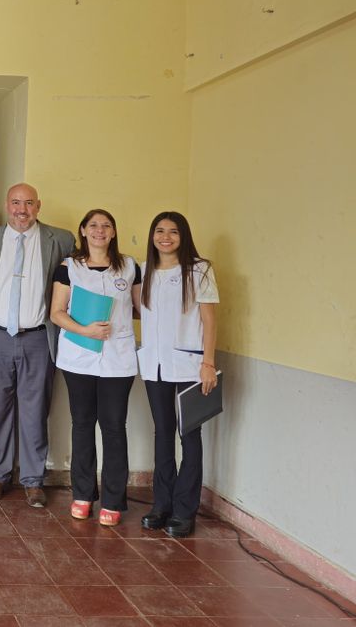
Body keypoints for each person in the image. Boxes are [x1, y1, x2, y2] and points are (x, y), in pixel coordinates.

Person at [0, 183, 75, 505]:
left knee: (35, 411)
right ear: (7, 205)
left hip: (37, 338)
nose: (22, 210)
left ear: (38, 206)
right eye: (16, 203)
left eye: (29, 203)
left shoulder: (60, 240)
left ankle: (33, 480)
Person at [49, 209, 140, 526]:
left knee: (114, 427)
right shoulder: (69, 267)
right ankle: (83, 494)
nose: (100, 230)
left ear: (114, 232)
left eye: (106, 225)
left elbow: (142, 308)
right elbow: (57, 312)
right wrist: (85, 330)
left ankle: (113, 500)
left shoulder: (129, 267)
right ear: (83, 231)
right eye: (93, 225)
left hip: (118, 357)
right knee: (82, 423)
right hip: (79, 356)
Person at [138, 211, 218, 538]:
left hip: (190, 365)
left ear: (183, 236)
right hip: (155, 365)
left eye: (173, 231)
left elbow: (210, 322)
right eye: (159, 230)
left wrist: (208, 363)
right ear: (152, 236)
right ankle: (162, 504)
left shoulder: (199, 270)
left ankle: (185, 510)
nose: (165, 237)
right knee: (162, 432)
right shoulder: (144, 272)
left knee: (190, 435)